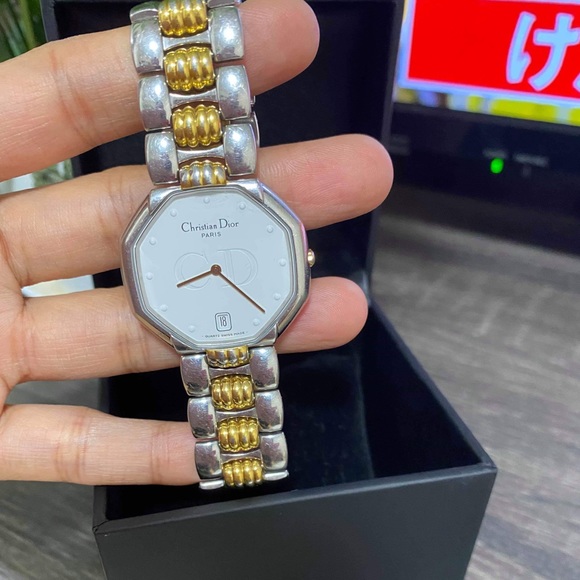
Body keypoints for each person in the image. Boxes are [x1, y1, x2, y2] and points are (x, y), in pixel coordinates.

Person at [0, 0, 393, 485]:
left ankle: (258, 463)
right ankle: (249, 464)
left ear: (300, 254)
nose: (214, 266)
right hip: (208, 330)